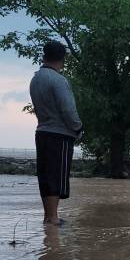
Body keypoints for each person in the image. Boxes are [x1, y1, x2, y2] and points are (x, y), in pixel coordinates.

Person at [30, 40, 82, 226]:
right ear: (62, 59)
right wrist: (78, 128)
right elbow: (68, 109)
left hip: (42, 131)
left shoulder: (35, 79)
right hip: (59, 134)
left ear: (44, 55)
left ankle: (48, 216)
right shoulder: (58, 80)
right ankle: (53, 218)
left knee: (45, 175)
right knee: (57, 176)